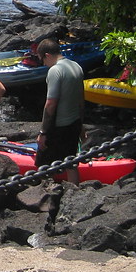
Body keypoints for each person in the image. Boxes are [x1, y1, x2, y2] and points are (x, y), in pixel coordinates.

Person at [35, 37, 86, 183]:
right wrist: (81, 125)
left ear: (47, 55)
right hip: (74, 122)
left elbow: (51, 103)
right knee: (71, 164)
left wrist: (43, 133)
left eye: (42, 60)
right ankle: (74, 193)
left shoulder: (55, 70)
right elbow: (81, 100)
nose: (44, 64)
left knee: (44, 166)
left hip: (58, 126)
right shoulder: (76, 66)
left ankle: (46, 199)